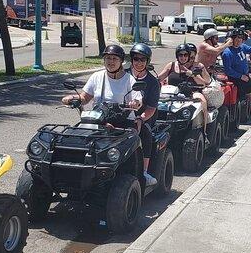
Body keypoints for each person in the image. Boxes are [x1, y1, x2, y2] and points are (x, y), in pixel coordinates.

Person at [61, 45, 154, 185]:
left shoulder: (130, 80)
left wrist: (135, 104)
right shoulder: (97, 76)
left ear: (121, 61)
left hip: (122, 123)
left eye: (114, 58)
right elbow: (85, 97)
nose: (111, 61)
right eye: (108, 58)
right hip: (98, 121)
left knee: (127, 146)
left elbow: (137, 100)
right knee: (74, 138)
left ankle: (139, 173)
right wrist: (72, 98)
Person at [159, 43, 211, 143]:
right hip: (171, 95)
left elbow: (205, 83)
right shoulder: (172, 65)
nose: (183, 57)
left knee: (202, 101)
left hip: (191, 94)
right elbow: (159, 77)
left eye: (185, 55)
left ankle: (204, 133)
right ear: (177, 56)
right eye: (180, 55)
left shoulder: (196, 66)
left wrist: (192, 75)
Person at [126, 43, 160, 186]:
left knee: (145, 133)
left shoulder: (152, 82)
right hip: (121, 114)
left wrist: (141, 118)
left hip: (144, 116)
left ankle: (144, 171)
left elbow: (151, 108)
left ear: (147, 62)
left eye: (142, 59)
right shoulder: (123, 74)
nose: (139, 62)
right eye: (136, 59)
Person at [222, 28, 251, 101]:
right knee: (242, 98)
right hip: (236, 79)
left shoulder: (242, 46)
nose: (238, 42)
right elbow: (228, 70)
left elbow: (249, 49)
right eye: (237, 40)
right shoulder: (227, 53)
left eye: (240, 40)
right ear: (232, 39)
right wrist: (241, 76)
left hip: (245, 75)